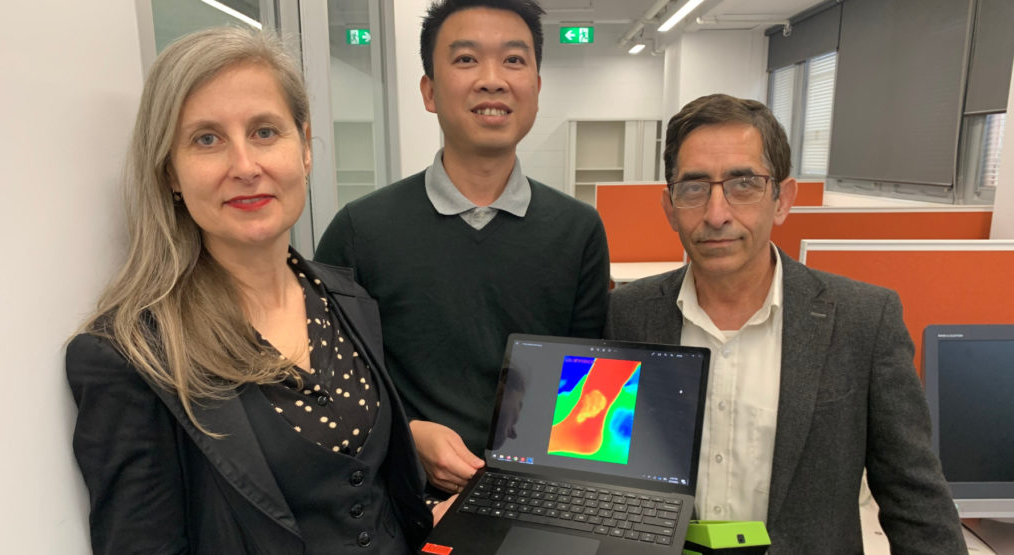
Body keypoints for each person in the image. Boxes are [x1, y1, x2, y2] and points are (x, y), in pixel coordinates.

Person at [66, 27, 440, 554]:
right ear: (171, 172)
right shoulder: (130, 358)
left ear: (305, 149)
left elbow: (374, 487)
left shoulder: (345, 298)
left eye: (265, 132)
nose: (245, 167)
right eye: (206, 139)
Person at [604, 93, 966, 552]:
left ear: (782, 199)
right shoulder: (626, 315)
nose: (717, 214)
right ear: (670, 206)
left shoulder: (862, 320)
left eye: (744, 184)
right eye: (694, 187)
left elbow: (915, 499)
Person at [314, 0, 609, 498]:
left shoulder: (577, 230)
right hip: (401, 500)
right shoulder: (359, 230)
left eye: (514, 60)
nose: (493, 80)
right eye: (467, 59)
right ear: (429, 92)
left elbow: (586, 389)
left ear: (537, 89)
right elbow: (331, 389)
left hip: (537, 497)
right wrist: (406, 437)